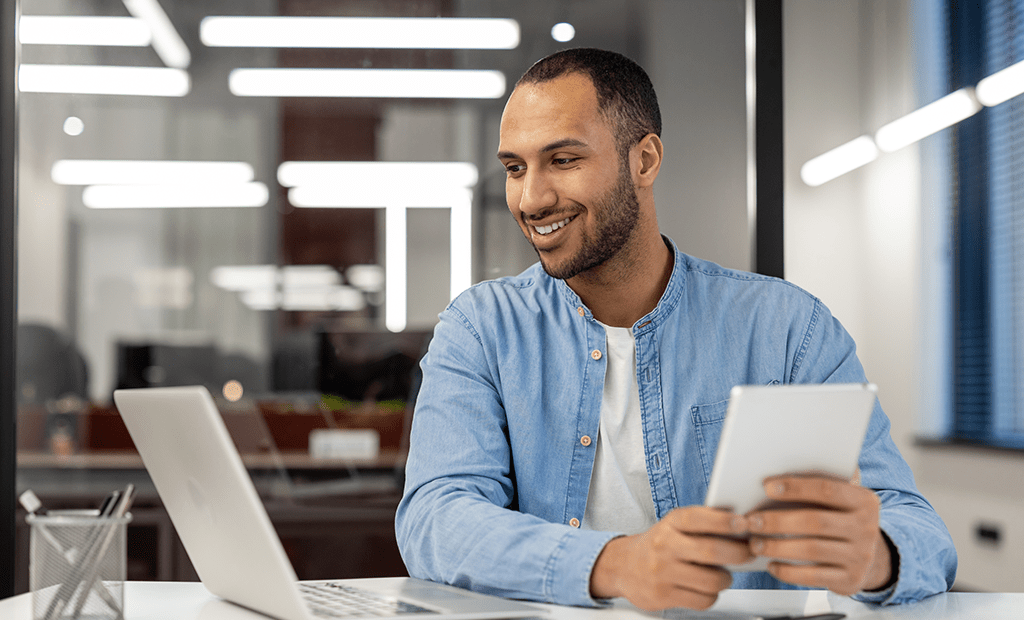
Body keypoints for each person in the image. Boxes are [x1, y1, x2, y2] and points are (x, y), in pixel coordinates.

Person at [395, 48, 956, 611]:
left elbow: (919, 531)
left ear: (644, 160)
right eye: (516, 168)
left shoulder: (788, 328)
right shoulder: (480, 329)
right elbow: (435, 516)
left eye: (563, 160)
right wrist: (616, 563)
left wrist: (878, 556)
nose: (531, 198)